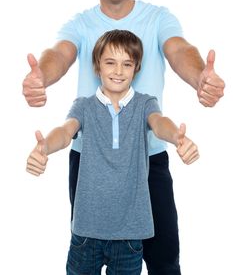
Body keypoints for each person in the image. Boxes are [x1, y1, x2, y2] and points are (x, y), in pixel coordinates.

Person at [22, 0, 225, 275]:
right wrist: (41, 76)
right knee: (89, 247)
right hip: (90, 162)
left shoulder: (157, 18)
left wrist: (199, 78)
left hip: (147, 159)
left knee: (163, 258)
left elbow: (179, 51)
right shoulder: (80, 24)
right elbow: (59, 53)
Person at [26, 30, 199, 275]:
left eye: (126, 64)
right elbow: (65, 132)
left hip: (130, 236)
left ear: (136, 68)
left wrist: (177, 138)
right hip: (86, 234)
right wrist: (45, 147)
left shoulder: (145, 104)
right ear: (97, 65)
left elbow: (159, 123)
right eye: (110, 62)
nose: (118, 71)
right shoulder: (83, 106)